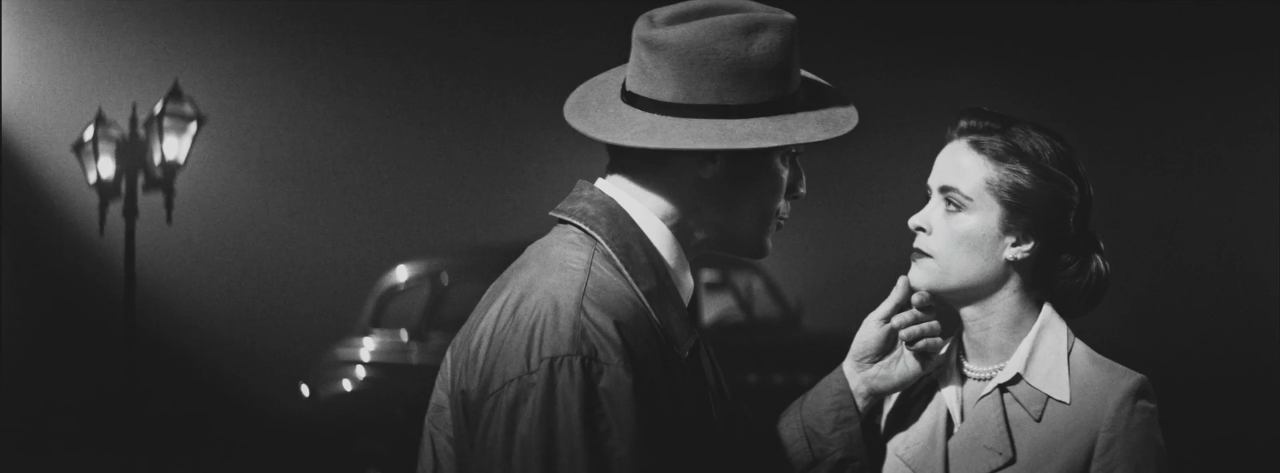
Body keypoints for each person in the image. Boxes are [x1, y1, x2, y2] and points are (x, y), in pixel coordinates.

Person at [416, 1, 947, 472]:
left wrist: (856, 383)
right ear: (712, 154)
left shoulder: (618, 296)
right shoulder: (579, 330)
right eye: (787, 156)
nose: (800, 186)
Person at [782, 108, 1168, 472]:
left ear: (1020, 240)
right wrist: (860, 381)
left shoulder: (1112, 404)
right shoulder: (904, 384)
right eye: (929, 197)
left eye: (952, 203)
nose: (916, 219)